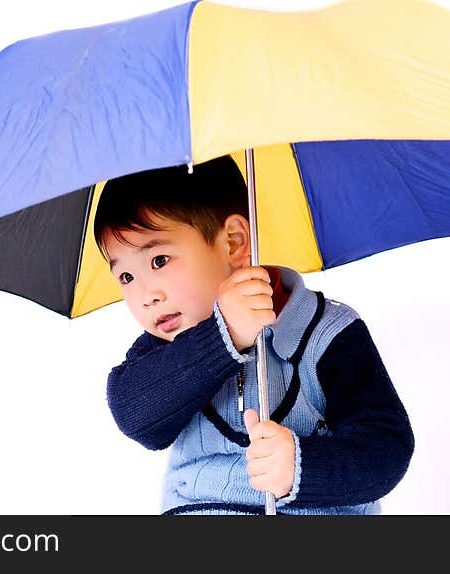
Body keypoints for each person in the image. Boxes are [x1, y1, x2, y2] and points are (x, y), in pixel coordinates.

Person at [93, 155, 414, 515]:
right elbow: (135, 416)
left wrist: (301, 468)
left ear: (232, 242)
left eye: (159, 261)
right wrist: (222, 336)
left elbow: (387, 446)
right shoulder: (164, 349)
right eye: (126, 277)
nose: (145, 296)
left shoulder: (327, 332)